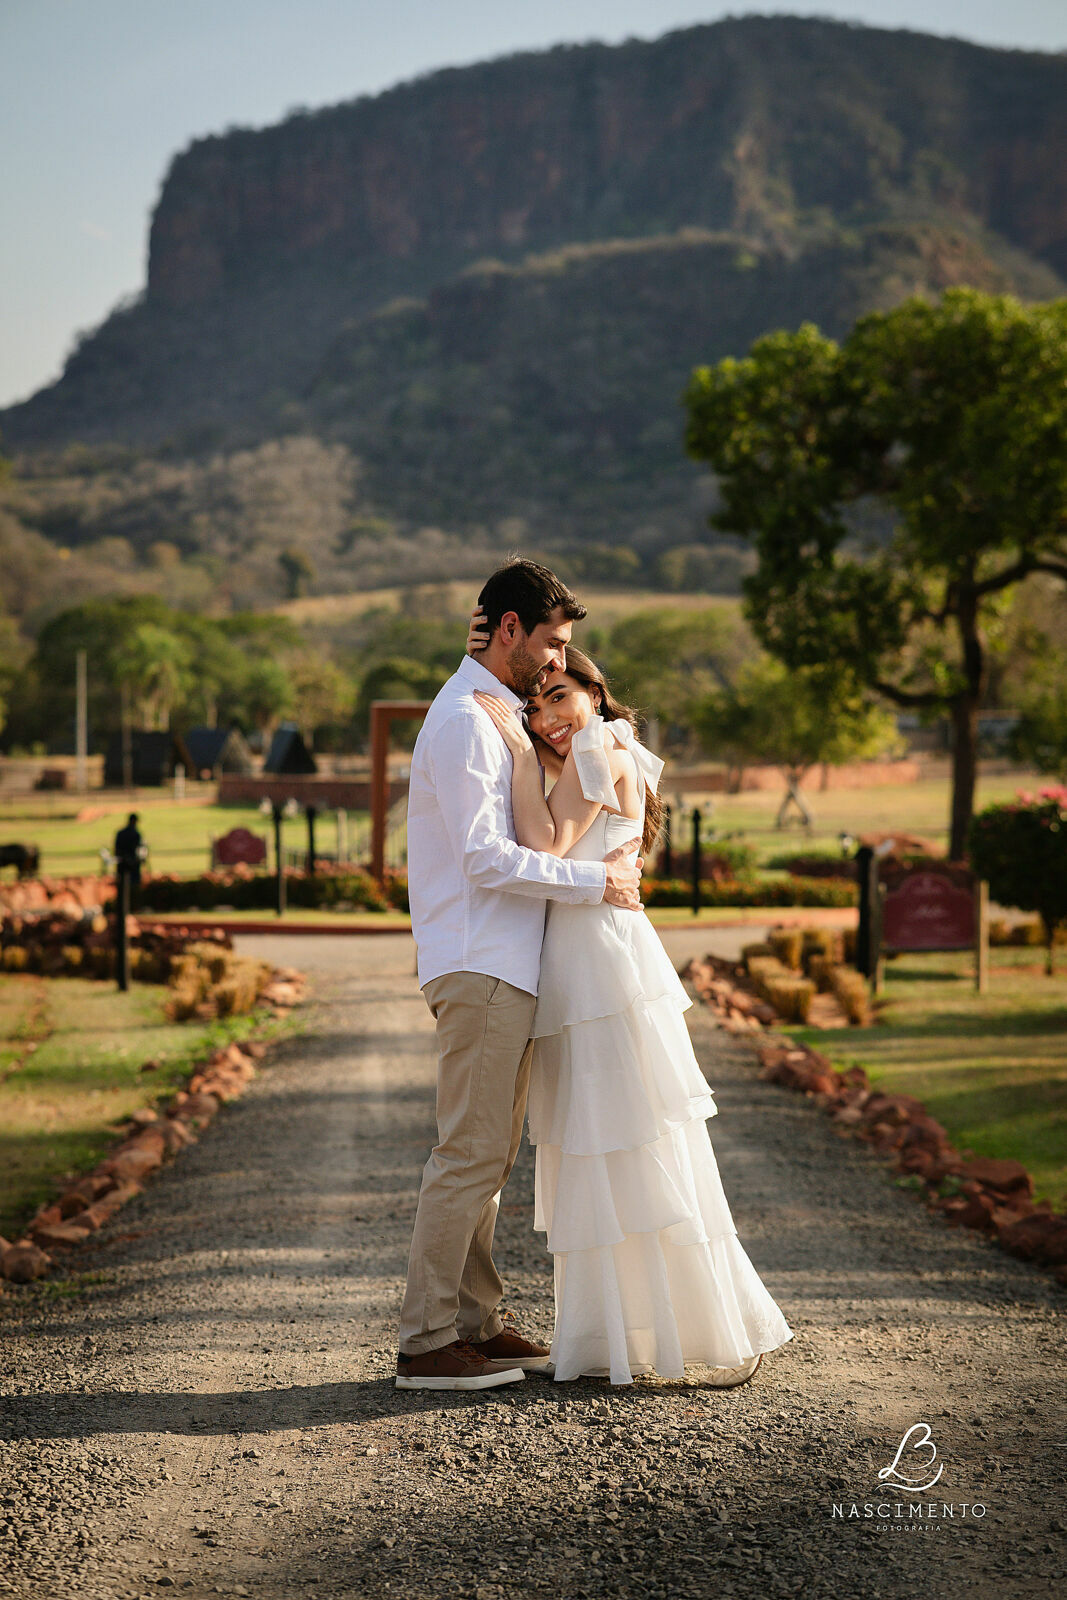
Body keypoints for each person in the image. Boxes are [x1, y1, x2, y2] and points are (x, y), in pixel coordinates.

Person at [473, 640, 793, 1386]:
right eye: (535, 704)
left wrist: (520, 757)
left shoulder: (593, 750)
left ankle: (690, 1330)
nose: (548, 716)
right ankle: (614, 1337)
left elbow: (546, 842)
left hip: (600, 970)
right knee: (602, 1141)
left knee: (626, 1138)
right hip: (587, 959)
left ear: (593, 692)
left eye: (560, 697)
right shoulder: (603, 747)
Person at [397, 560, 644, 1393]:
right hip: (480, 960)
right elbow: (480, 854)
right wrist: (596, 882)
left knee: (489, 1156)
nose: (556, 662)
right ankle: (427, 1341)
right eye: (550, 643)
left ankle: (476, 1322)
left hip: (503, 961)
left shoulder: (493, 708)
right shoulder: (467, 720)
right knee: (468, 1154)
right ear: (510, 630)